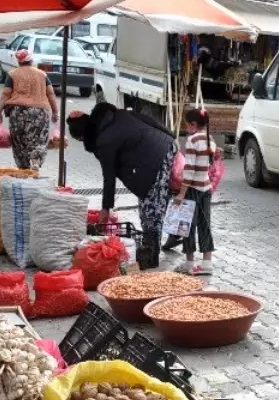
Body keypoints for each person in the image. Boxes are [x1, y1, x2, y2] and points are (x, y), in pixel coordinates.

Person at [67, 103, 177, 270]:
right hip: (162, 146)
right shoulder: (115, 116)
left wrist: (105, 208)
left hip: (156, 156)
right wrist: (171, 136)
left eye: (80, 140)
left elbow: (108, 177)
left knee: (152, 210)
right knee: (149, 206)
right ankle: (155, 245)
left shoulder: (103, 140)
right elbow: (147, 119)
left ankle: (151, 256)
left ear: (83, 135)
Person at [0, 49, 59, 170]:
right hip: (39, 113)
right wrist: (55, 112)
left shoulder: (13, 74)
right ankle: (35, 160)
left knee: (19, 142)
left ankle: (23, 169)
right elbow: (50, 94)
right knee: (38, 140)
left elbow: (5, 94)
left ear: (19, 62)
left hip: (17, 113)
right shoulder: (42, 74)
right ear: (31, 60)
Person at [172, 108, 216, 275]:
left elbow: (189, 169)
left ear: (193, 124)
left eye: (187, 124)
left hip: (192, 189)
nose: (186, 127)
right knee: (205, 225)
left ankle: (189, 263)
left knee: (187, 225)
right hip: (206, 188)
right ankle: (207, 264)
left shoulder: (192, 140)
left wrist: (182, 193)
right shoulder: (210, 139)